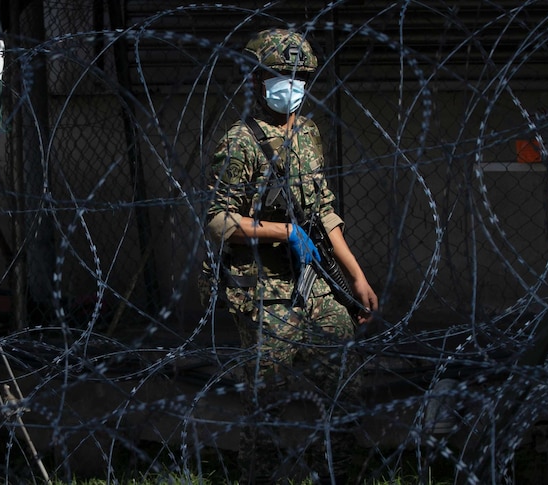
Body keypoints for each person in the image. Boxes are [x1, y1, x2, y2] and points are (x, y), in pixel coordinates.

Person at [202, 28, 379, 483]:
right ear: (259, 79)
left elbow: (323, 210)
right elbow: (218, 220)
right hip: (264, 289)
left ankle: (335, 473)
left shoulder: (308, 133)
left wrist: (355, 276)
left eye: (299, 76)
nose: (292, 85)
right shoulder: (240, 141)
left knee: (345, 384)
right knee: (267, 402)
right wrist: (284, 231)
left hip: (313, 281)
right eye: (282, 75)